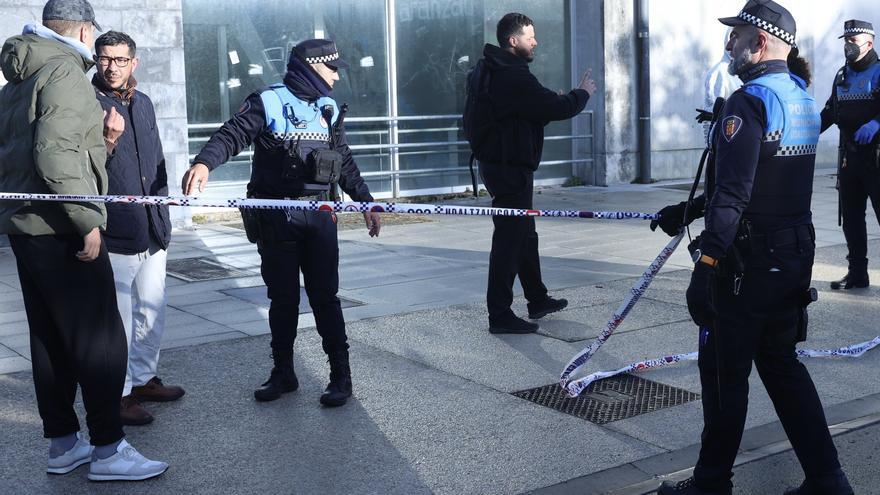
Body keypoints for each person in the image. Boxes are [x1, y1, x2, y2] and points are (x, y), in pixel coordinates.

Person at [652, 1, 853, 494]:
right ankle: (828, 479)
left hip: (747, 264)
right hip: (792, 254)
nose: (729, 45)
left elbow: (735, 194)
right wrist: (689, 209)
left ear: (759, 42)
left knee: (724, 373)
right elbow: (765, 182)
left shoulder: (748, 102)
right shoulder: (801, 97)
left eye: (737, 36)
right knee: (783, 367)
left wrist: (706, 265)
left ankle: (711, 483)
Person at [0, 0, 166, 481]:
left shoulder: (21, 75)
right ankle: (109, 449)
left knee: (49, 339)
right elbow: (55, 155)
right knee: (102, 339)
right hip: (62, 227)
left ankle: (64, 444)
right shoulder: (65, 72)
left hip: (27, 227)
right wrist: (87, 220)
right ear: (84, 30)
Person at [181, 39, 380, 407]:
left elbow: (344, 159)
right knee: (283, 298)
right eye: (332, 69)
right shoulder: (268, 100)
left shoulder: (327, 108)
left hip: (320, 216)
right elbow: (232, 134)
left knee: (325, 297)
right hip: (277, 219)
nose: (337, 77)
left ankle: (340, 376)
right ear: (311, 67)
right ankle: (284, 372)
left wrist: (366, 201)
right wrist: (204, 162)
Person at [469, 12, 597, 334]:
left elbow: (523, 111)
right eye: (530, 37)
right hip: (509, 169)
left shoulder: (491, 68)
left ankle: (537, 299)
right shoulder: (512, 75)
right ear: (513, 41)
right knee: (509, 241)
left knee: (524, 234)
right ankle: (499, 315)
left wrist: (548, 103)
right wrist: (582, 93)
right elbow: (555, 108)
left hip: (499, 165)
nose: (536, 42)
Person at [92, 30, 184, 427]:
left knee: (152, 308)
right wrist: (107, 140)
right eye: (104, 58)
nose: (112, 67)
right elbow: (84, 167)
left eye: (120, 60)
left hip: (152, 224)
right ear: (96, 60)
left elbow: (157, 159)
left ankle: (144, 379)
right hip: (115, 228)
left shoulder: (143, 101)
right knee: (119, 320)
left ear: (134, 62)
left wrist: (163, 213)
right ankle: (120, 394)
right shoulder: (86, 103)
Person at [820, 20, 880, 290]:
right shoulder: (841, 75)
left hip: (876, 159)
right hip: (849, 159)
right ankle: (857, 273)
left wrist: (876, 123)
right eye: (845, 41)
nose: (848, 46)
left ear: (869, 43)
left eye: (853, 41)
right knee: (852, 219)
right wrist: (806, 131)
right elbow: (830, 111)